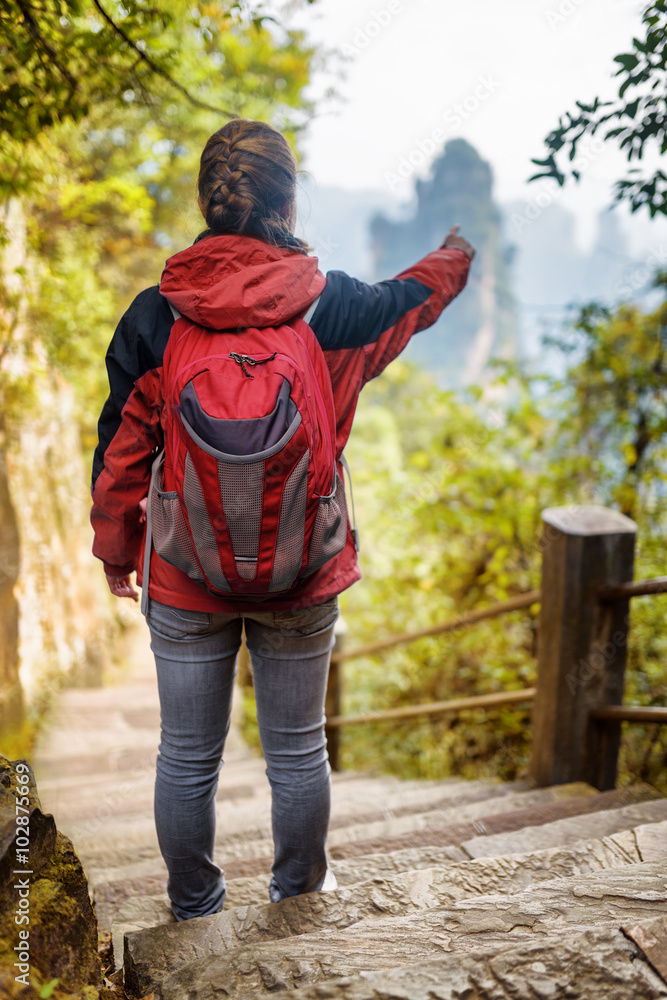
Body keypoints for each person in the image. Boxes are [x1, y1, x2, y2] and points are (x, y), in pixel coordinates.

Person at [90, 118, 474, 921]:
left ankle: (196, 907)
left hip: (186, 572)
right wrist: (457, 254)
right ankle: (298, 899)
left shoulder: (154, 318)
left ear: (204, 200)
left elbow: (122, 449)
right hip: (303, 569)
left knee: (186, 757)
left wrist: (115, 549)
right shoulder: (331, 307)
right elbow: (412, 301)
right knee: (298, 753)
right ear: (290, 205)